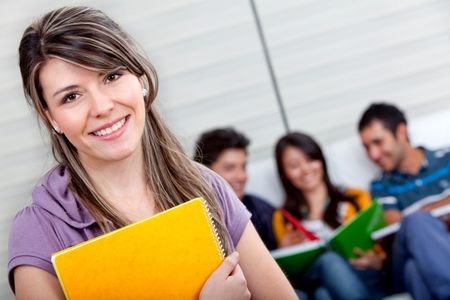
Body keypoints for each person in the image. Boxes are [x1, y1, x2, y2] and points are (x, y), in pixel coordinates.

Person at [7, 6, 298, 299]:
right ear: (51, 118)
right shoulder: (38, 230)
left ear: (140, 78)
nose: (102, 107)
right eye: (71, 96)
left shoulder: (206, 186)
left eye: (111, 76)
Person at [274, 131, 387, 300]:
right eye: (294, 165)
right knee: (325, 272)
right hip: (314, 280)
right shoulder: (282, 218)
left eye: (310, 159)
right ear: (284, 174)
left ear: (321, 160)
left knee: (323, 294)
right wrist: (285, 252)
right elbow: (288, 276)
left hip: (363, 278)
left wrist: (377, 260)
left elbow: (383, 250)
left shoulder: (356, 198)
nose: (305, 169)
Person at [358, 102, 450, 300]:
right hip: (407, 253)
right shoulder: (381, 186)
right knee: (416, 223)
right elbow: (399, 228)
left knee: (414, 271)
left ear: (401, 132)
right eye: (367, 147)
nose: (373, 154)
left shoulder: (447, 158)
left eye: (378, 142)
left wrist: (425, 212)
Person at [193, 128, 278, 251]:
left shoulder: (263, 211)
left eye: (243, 167)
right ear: (205, 172)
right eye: (230, 168)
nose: (242, 176)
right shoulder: (192, 218)